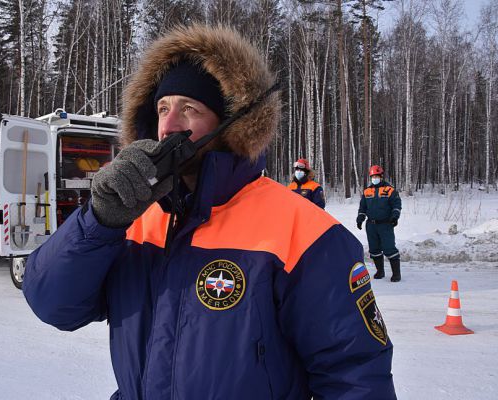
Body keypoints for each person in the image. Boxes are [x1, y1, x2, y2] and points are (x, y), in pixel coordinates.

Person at [23, 24, 396, 399]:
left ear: (231, 123)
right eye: (162, 109)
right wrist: (99, 221)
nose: (168, 126)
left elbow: (355, 375)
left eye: (190, 109)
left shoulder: (302, 231)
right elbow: (53, 304)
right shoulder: (133, 218)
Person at [357, 165, 402, 282]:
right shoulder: (367, 191)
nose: (374, 178)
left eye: (377, 176)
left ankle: (396, 274)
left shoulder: (390, 190)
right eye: (372, 176)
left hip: (385, 224)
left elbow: (396, 205)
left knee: (389, 248)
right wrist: (360, 218)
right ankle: (380, 271)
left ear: (381, 177)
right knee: (374, 249)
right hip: (371, 225)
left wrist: (395, 217)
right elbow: (363, 207)